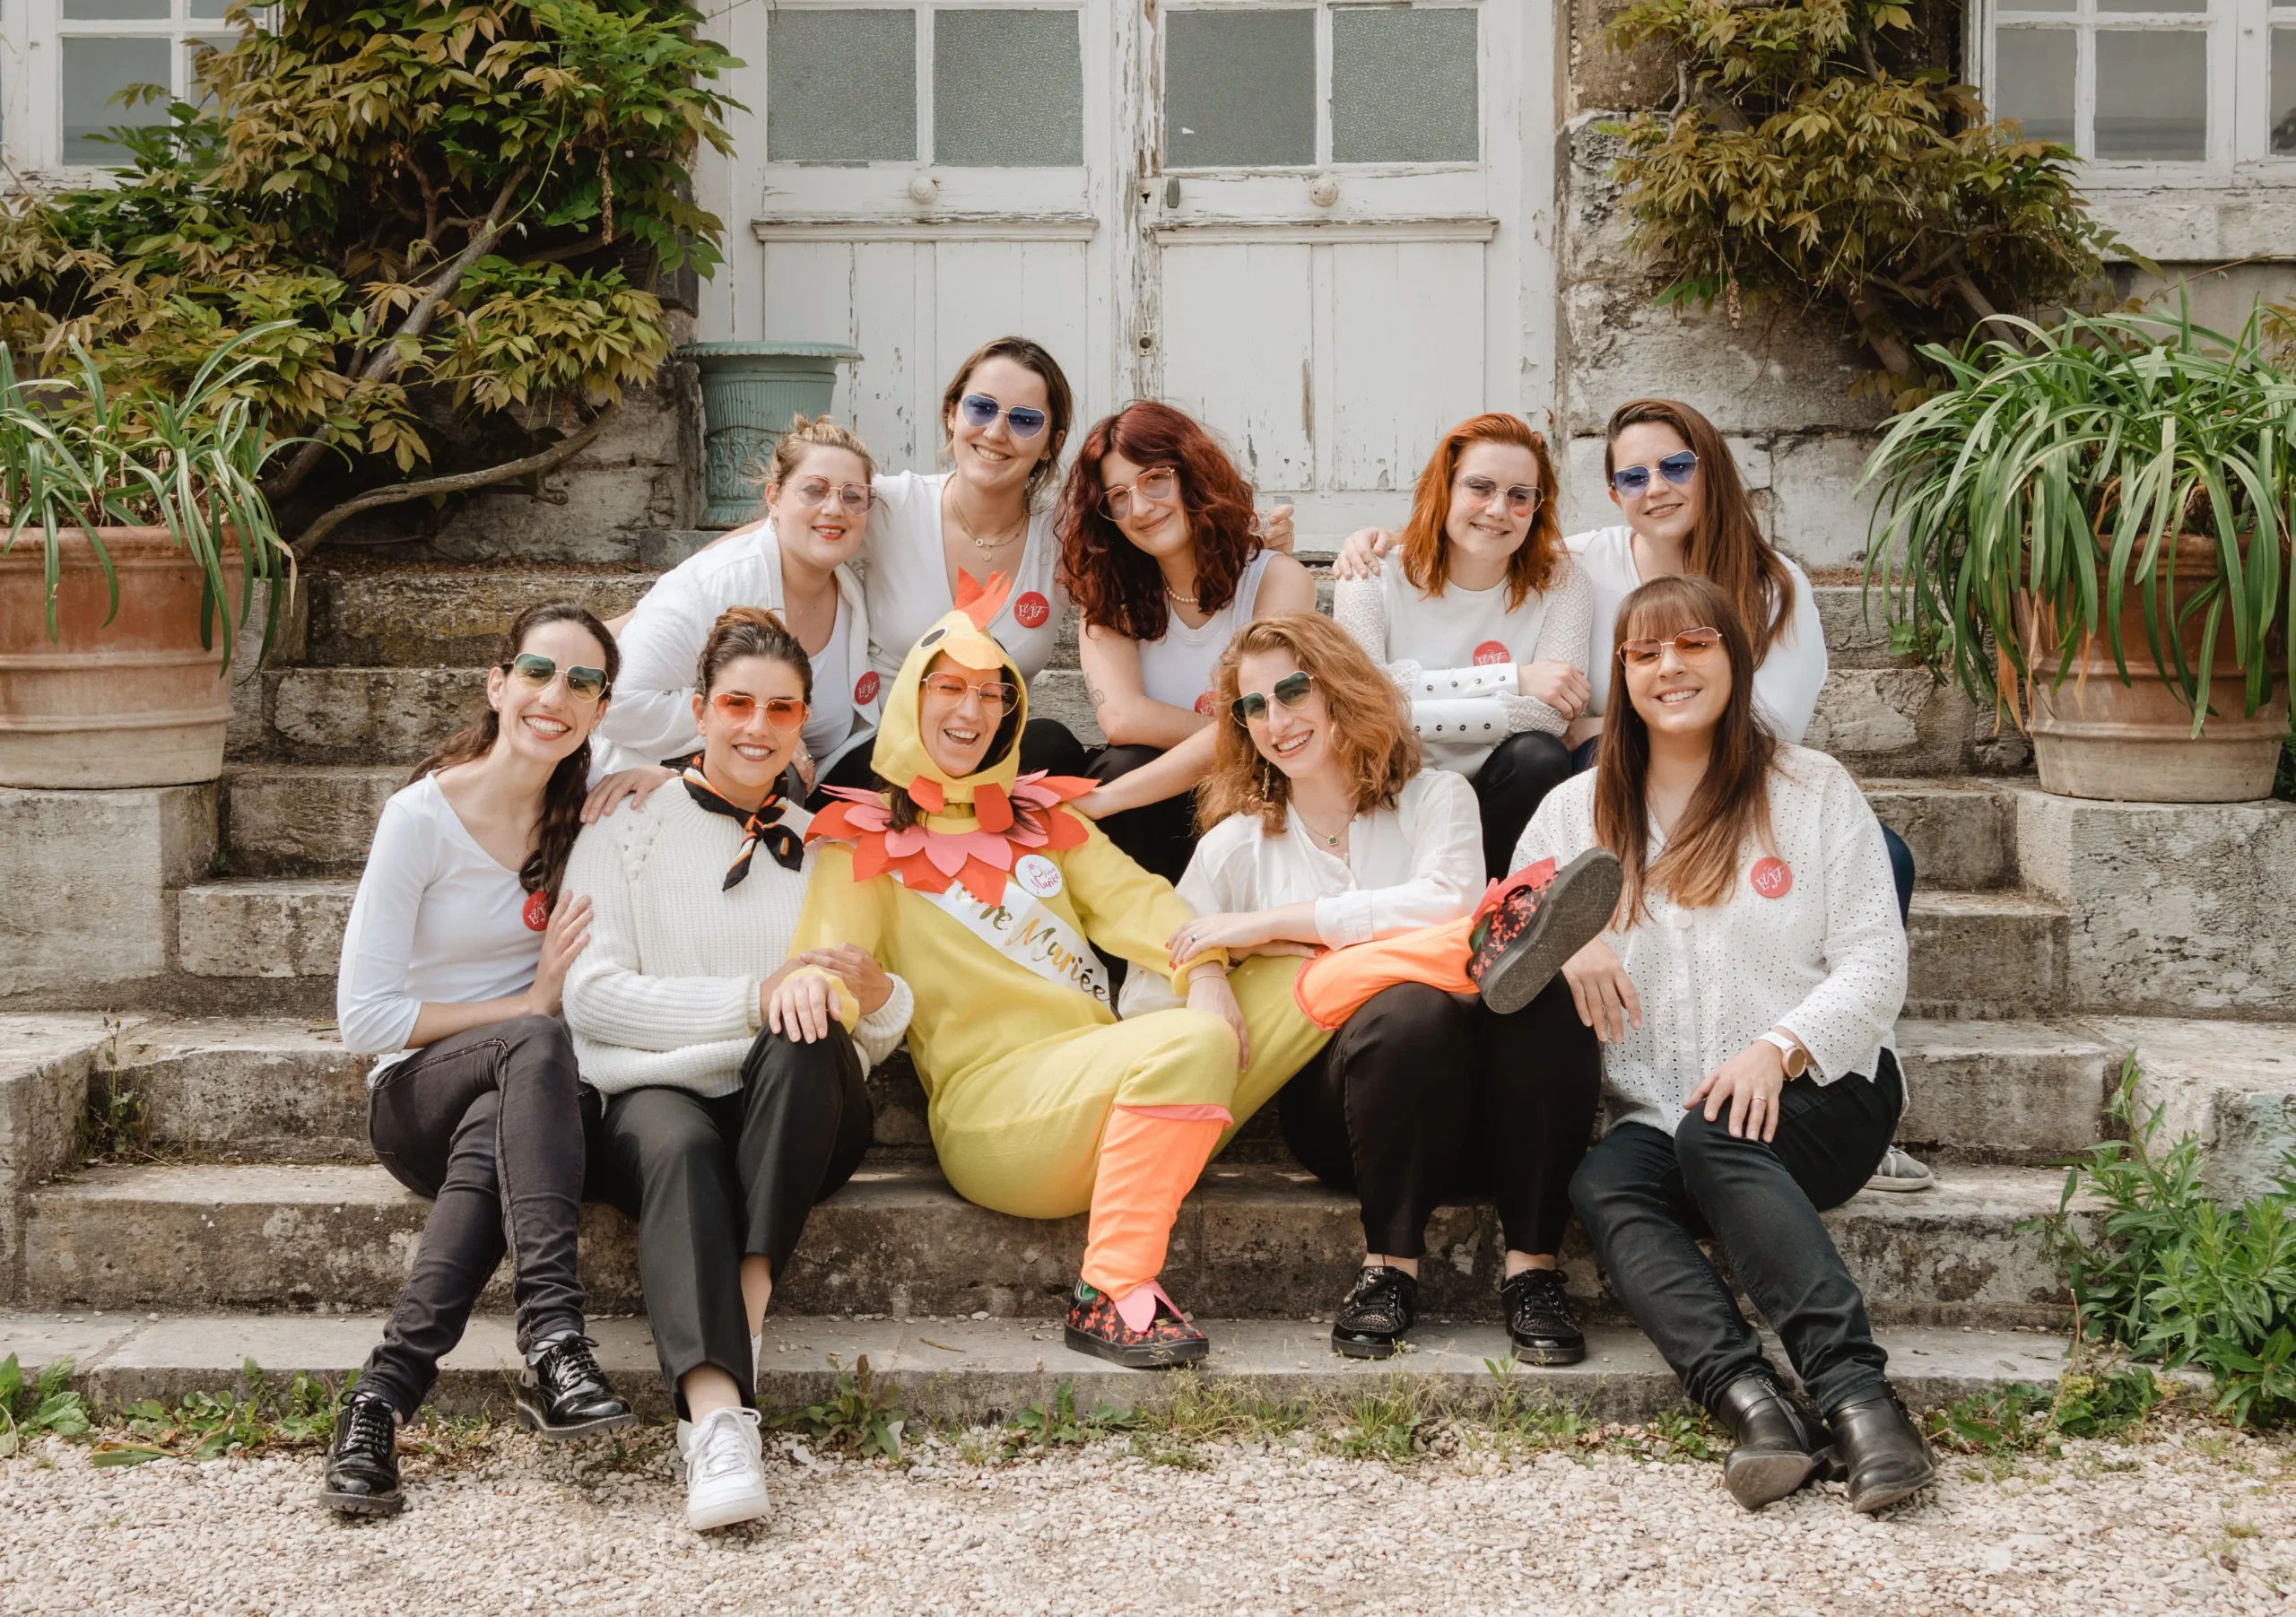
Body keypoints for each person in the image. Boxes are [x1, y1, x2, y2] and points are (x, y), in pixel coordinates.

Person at [1336, 397, 1932, 1194]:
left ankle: (1846, 1071)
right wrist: (1372, 540)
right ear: (1612, 491)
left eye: (1676, 465)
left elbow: (1762, 726)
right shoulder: (1581, 558)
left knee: (1879, 854)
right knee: (1547, 759)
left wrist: (1594, 711)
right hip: (1584, 782)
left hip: (1723, 788)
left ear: (1711, 469)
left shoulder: (1774, 583)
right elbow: (1484, 541)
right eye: (1633, 474)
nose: (1656, 486)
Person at [787, 575, 1328, 1369]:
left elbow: (1141, 904)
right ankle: (1112, 1289)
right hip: (996, 1118)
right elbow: (827, 967)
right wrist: (822, 995)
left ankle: (1464, 944)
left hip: (1109, 1087)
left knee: (1312, 962)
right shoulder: (860, 847)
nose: (972, 713)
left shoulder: (1046, 820)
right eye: (950, 690)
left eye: (991, 696)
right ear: (911, 697)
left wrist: (1210, 966)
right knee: (1191, 1046)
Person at [1523, 574, 1934, 1516]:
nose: (1670, 667)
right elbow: (1499, 934)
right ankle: (1755, 1406)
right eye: (1644, 652)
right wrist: (1565, 935)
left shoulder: (1813, 789)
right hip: (1659, 1106)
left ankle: (1861, 1402)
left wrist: (1779, 1048)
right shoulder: (1569, 813)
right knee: (1604, 1182)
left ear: (1735, 660)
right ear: (1621, 675)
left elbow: (1876, 963)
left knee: (1717, 1130)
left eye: (1694, 644)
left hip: (1822, 1096)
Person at [1162, 613, 1617, 1364]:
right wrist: (1209, 971)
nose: (1277, 720)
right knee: (1408, 1008)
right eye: (1254, 706)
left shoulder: (1436, 796)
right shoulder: (1234, 845)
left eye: (1293, 690)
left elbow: (1446, 903)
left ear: (1338, 688)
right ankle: (1388, 1270)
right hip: (1349, 1118)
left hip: (1489, 1121)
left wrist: (1273, 927)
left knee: (1544, 991)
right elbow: (1164, 961)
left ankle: (1532, 1271)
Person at [563, 607, 913, 1532]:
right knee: (678, 1147)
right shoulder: (625, 822)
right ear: (698, 709)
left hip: (796, 1106)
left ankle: (742, 1303)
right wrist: (752, 999)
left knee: (809, 1034)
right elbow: (589, 997)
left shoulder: (832, 846)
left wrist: (878, 996)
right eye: (737, 703)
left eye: (782, 709)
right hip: (656, 1089)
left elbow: (873, 1029)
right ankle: (717, 1422)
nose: (757, 726)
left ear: (805, 723)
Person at [322, 604, 636, 1517]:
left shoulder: (593, 798)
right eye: (539, 672)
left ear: (601, 708)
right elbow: (363, 1016)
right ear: (498, 685)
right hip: (415, 1096)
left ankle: (380, 1400)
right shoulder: (419, 818)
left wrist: (656, 771)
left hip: (525, 1114)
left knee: (520, 1088)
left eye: (583, 683)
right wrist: (527, 1005)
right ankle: (552, 1336)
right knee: (538, 1040)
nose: (557, 696)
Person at [1056, 400, 1317, 882]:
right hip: (1153, 810)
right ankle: (1138, 946)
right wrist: (1232, 728)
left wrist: (1244, 731)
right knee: (1119, 762)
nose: (1140, 508)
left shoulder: (1276, 581)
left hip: (1252, 792)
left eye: (1155, 478)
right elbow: (1121, 717)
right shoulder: (1109, 596)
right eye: (1117, 496)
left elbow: (1269, 720)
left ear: (1192, 472)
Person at [1330, 413, 1593, 879]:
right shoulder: (1371, 573)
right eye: (1480, 487)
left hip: (1504, 787)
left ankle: (1497, 917)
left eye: (1519, 496)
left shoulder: (1563, 581)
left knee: (1539, 754)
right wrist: (1513, 678)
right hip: (1396, 781)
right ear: (1445, 489)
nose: (1497, 509)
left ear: (1537, 506)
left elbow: (1550, 717)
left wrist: (1403, 695)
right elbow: (1359, 704)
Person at [591, 413, 882, 803]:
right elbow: (619, 703)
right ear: (773, 499)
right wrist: (761, 726)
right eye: (814, 490)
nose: (834, 508)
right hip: (654, 788)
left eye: (852, 496)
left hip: (789, 800)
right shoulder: (712, 584)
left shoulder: (854, 599)